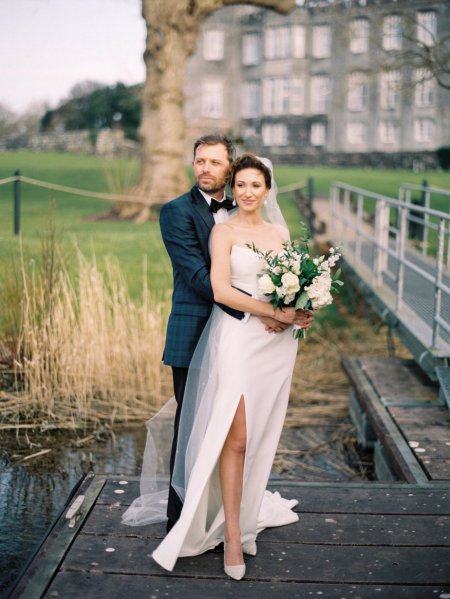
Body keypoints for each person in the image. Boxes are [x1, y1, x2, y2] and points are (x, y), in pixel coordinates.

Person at [147, 153, 312, 579]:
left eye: (255, 185)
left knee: (258, 435)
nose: (247, 192)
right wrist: (270, 312)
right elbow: (220, 287)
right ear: (233, 187)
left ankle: (244, 516)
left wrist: (299, 309)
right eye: (240, 185)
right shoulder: (223, 231)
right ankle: (232, 538)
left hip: (275, 347)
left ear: (268, 189)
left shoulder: (279, 231)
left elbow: (294, 286)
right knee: (234, 439)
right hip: (237, 337)